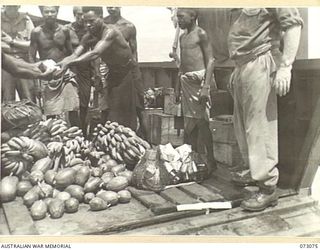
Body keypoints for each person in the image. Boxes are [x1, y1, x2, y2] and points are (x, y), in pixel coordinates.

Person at [227, 8, 303, 211]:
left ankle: (267, 188)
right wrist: (235, 71)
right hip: (241, 65)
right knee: (242, 126)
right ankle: (254, 172)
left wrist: (286, 67)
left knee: (259, 128)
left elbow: (294, 25)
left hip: (261, 61)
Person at [57, 6, 141, 131]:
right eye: (85, 21)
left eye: (92, 21)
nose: (88, 24)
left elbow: (95, 53)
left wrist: (70, 63)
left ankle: (144, 141)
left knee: (131, 111)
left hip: (127, 71)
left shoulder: (110, 32)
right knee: (110, 111)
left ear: (101, 18)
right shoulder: (89, 36)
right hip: (112, 72)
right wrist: (62, 63)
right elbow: (76, 53)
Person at [175, 8, 217, 174]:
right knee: (189, 123)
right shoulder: (182, 37)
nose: (179, 20)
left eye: (181, 16)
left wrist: (206, 87)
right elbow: (182, 65)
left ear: (192, 16)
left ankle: (211, 161)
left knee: (203, 122)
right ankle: (192, 160)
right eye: (177, 17)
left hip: (200, 83)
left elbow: (211, 61)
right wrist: (178, 86)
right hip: (186, 82)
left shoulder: (201, 34)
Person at [29, 6, 80, 126]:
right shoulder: (36, 32)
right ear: (42, 13)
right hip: (48, 76)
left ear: (57, 12)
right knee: (51, 112)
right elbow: (31, 56)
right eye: (47, 11)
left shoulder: (64, 31)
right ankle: (53, 141)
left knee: (73, 109)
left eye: (53, 11)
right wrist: (36, 81)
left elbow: (71, 54)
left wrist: (74, 73)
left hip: (65, 74)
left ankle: (78, 138)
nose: (50, 14)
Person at [103, 7, 145, 138]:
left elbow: (133, 51)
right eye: (108, 4)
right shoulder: (103, 25)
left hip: (126, 68)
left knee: (135, 102)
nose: (112, 7)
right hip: (107, 68)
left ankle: (137, 135)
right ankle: (107, 137)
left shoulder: (129, 26)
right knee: (107, 106)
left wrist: (135, 73)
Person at [65, 6, 96, 136]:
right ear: (74, 14)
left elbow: (95, 52)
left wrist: (95, 73)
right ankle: (74, 132)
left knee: (84, 102)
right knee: (72, 104)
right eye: (79, 14)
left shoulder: (90, 30)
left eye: (84, 14)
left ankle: (83, 132)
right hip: (71, 68)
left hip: (85, 69)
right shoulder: (67, 29)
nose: (82, 17)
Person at [1, 5, 36, 103]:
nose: (12, 9)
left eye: (14, 7)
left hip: (23, 61)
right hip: (4, 63)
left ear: (19, 6)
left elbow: (32, 45)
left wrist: (11, 42)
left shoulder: (26, 20)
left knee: (29, 97)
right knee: (6, 100)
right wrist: (20, 46)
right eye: (9, 7)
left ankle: (33, 118)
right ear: (4, 5)